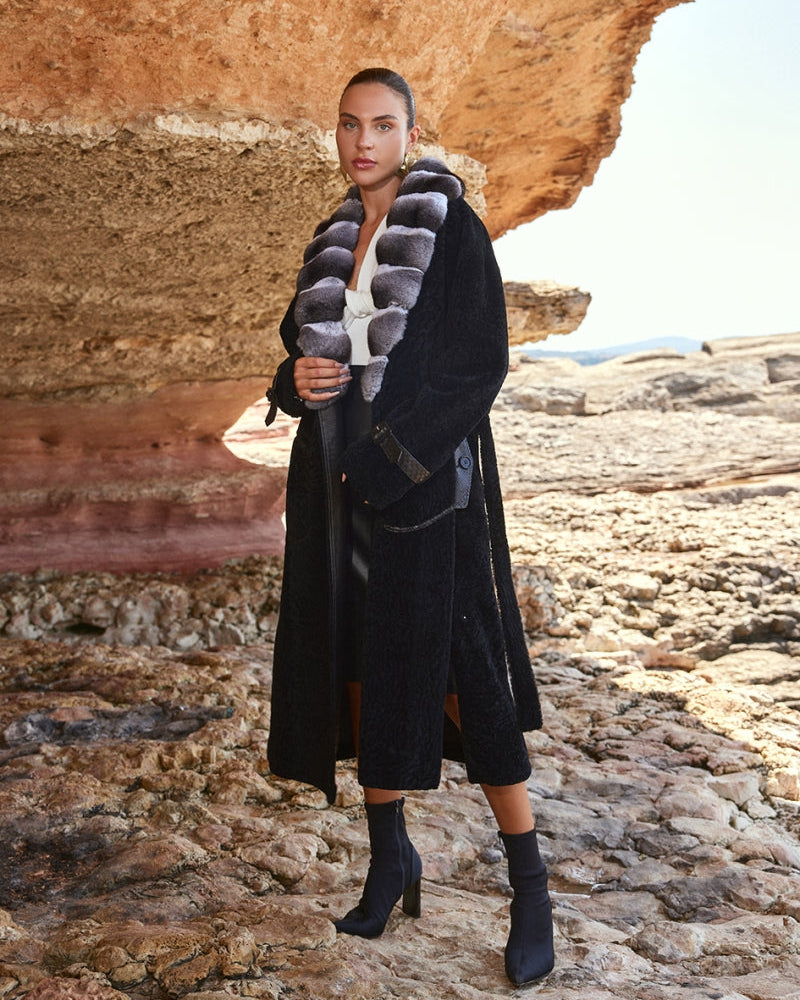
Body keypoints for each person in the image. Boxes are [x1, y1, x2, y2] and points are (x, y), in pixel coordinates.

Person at [265, 67, 554, 986]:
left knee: (470, 681)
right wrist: (293, 383)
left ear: (410, 134)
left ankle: (531, 887)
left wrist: (394, 461)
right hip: (336, 489)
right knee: (361, 667)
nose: (364, 142)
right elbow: (301, 361)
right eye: (350, 125)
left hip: (423, 488)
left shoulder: (450, 225)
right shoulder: (332, 237)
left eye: (383, 125)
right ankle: (390, 862)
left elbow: (480, 365)